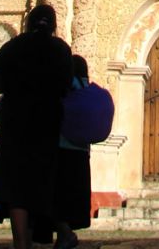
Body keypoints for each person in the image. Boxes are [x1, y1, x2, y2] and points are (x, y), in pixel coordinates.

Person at [0, 5, 72, 249]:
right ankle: (53, 233)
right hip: (47, 122)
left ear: (29, 22)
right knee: (43, 180)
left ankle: (21, 242)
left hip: (15, 121)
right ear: (54, 24)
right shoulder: (60, 49)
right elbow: (67, 84)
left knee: (16, 185)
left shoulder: (16, 45)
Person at [52, 55, 92, 249]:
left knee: (57, 194)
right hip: (82, 149)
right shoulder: (87, 86)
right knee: (73, 193)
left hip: (62, 146)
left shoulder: (68, 84)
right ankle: (65, 234)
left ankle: (64, 233)